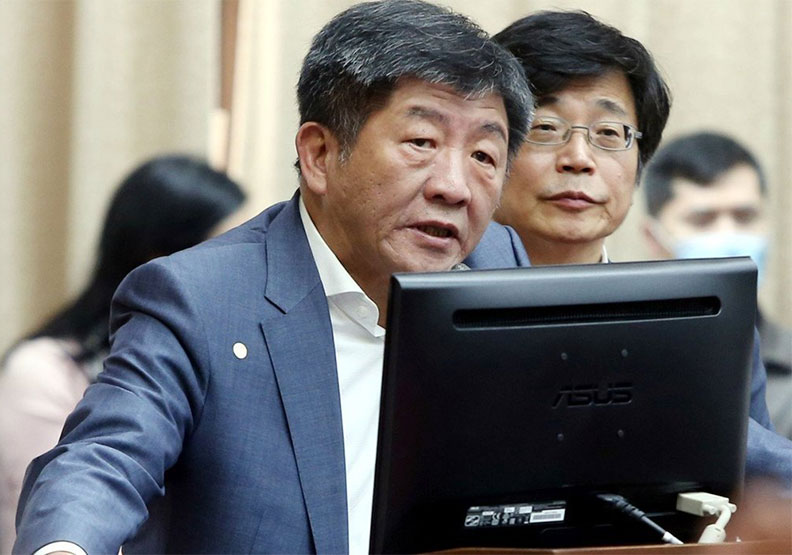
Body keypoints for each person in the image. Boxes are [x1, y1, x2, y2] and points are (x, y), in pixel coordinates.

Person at [12, 1, 532, 553]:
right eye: (421, 142)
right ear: (319, 154)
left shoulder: (496, 268)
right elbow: (106, 456)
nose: (454, 187)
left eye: (483, 155)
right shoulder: (201, 300)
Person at [491, 11, 792, 485]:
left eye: (609, 134)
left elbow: (753, 505)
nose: (578, 159)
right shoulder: (414, 301)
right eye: (545, 127)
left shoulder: (714, 333)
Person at [0, 155, 246, 553]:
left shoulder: (230, 363)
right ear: (162, 258)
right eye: (227, 252)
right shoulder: (43, 372)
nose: (247, 273)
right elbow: (62, 512)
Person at [642, 131, 792, 439]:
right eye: (703, 219)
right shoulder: (627, 359)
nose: (728, 235)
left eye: (744, 216)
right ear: (654, 238)